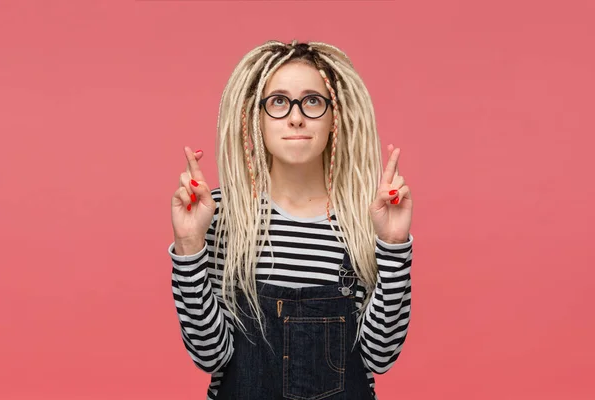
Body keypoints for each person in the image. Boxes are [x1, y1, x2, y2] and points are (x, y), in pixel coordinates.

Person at [169, 39, 414, 400]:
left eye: (312, 101)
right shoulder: (220, 216)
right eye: (279, 102)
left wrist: (393, 247)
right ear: (257, 117)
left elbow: (380, 356)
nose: (295, 116)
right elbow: (209, 354)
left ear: (336, 117)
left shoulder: (367, 219)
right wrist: (189, 246)